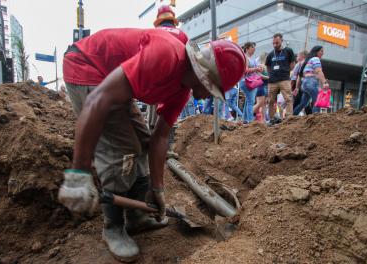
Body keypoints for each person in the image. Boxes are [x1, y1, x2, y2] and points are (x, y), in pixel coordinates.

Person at [58, 27, 246, 262]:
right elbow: (98, 100)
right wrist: (78, 173)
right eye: (212, 90)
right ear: (204, 77)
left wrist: (157, 189)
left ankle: (136, 215)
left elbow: (159, 138)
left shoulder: (182, 91)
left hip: (112, 82)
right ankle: (113, 227)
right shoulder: (165, 55)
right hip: (86, 68)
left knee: (142, 142)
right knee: (123, 150)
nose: (209, 97)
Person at [147, 5, 188, 128]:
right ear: (173, 21)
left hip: (155, 78)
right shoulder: (182, 34)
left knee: (153, 112)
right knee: (170, 114)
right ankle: (169, 131)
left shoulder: (152, 33)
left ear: (159, 21)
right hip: (175, 80)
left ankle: (152, 129)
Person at [265, 33, 295, 125]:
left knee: (288, 98)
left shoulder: (288, 51)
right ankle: (272, 119)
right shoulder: (270, 54)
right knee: (270, 101)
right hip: (272, 81)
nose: (275, 45)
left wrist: (285, 71)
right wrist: (272, 74)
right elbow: (268, 66)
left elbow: (292, 64)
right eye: (273, 43)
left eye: (276, 43)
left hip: (284, 79)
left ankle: (289, 118)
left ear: (281, 40)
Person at [293, 46, 328, 115]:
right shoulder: (315, 59)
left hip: (305, 84)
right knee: (317, 101)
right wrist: (325, 82)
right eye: (321, 51)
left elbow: (300, 76)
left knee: (303, 103)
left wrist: (297, 87)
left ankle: (292, 116)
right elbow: (318, 71)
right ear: (316, 51)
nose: (323, 53)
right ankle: (315, 121)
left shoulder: (307, 61)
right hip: (311, 83)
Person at [239, 42, 262, 123]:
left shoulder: (250, 58)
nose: (254, 49)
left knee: (248, 101)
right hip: (247, 81)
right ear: (247, 48)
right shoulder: (245, 57)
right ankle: (250, 121)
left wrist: (257, 69)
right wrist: (256, 69)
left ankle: (245, 120)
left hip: (248, 81)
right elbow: (245, 70)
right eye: (253, 48)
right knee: (250, 101)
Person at [292, 50, 311, 114]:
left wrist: (293, 86)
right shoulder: (308, 63)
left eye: (298, 55)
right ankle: (310, 115)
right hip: (306, 83)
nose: (296, 57)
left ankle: (293, 115)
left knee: (298, 101)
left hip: (301, 83)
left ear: (303, 56)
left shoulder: (300, 64)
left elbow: (295, 76)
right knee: (305, 102)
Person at [253, 53, 269, 122]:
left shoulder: (267, 66)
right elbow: (258, 75)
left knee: (263, 104)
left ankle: (263, 119)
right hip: (261, 86)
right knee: (259, 103)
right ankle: (247, 116)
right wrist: (268, 77)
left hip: (265, 87)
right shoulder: (260, 66)